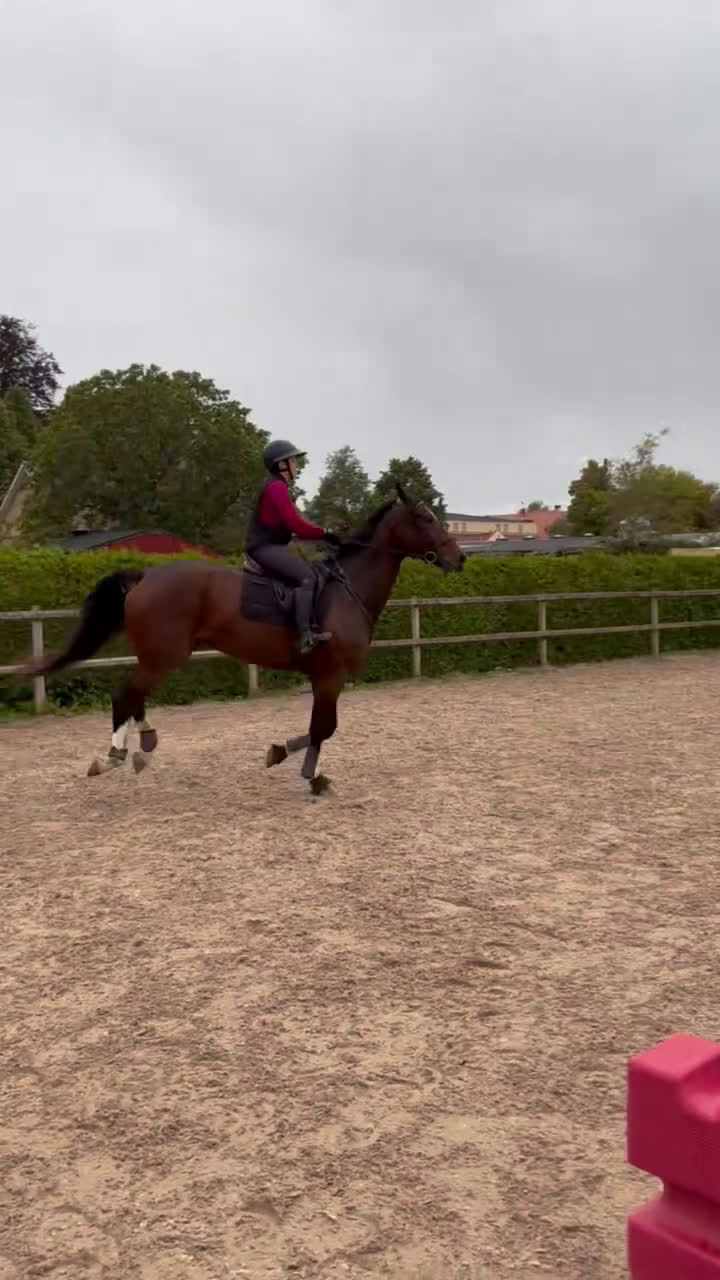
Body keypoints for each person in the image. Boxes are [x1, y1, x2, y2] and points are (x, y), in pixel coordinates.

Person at [245, 439, 342, 655]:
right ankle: (305, 636)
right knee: (306, 577)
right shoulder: (276, 487)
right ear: (281, 464)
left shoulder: (276, 486)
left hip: (270, 546)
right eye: (293, 461)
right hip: (264, 548)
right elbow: (296, 524)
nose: (296, 465)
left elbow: (291, 527)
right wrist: (325, 533)